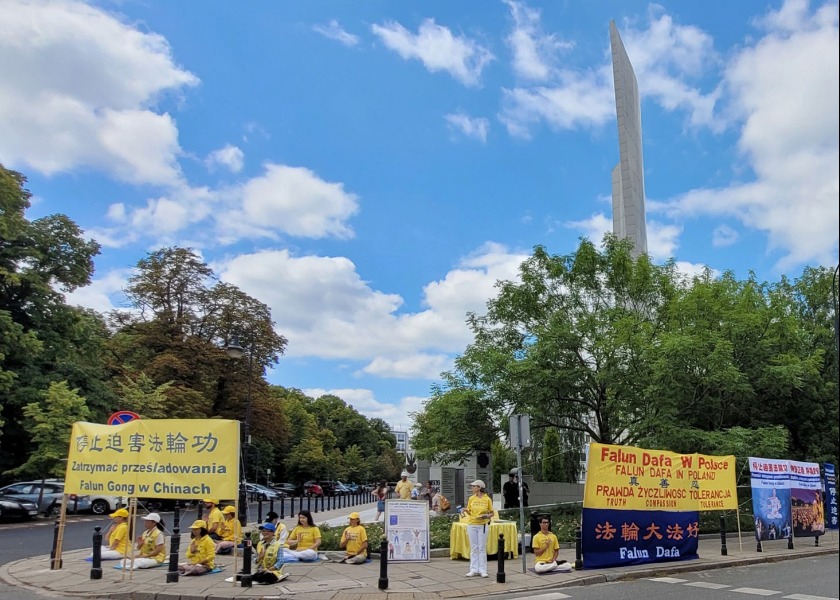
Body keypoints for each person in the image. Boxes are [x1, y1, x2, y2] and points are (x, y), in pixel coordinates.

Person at [463, 479, 494, 578]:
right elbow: (469, 511)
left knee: (482, 547)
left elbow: (492, 512)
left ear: (479, 487)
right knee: (474, 547)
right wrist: (465, 510)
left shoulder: (487, 499)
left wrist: (487, 516)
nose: (472, 488)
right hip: (472, 523)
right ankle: (473, 569)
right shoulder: (471, 498)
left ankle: (483, 569)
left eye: (474, 486)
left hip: (483, 524)